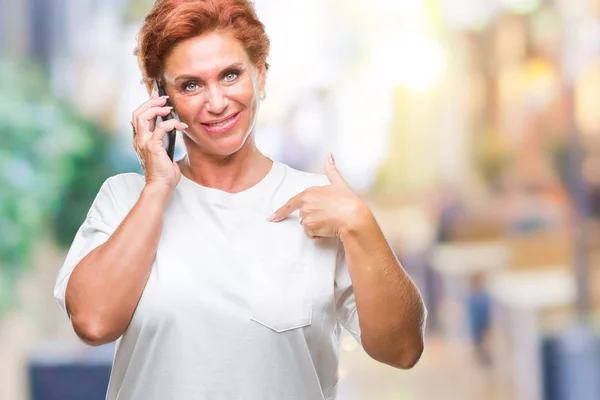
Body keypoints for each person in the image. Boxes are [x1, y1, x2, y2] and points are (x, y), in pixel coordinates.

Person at [53, 1, 426, 398]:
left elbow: (402, 350)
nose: (216, 103)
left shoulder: (321, 205)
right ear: (160, 96)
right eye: (190, 84)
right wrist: (158, 187)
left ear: (260, 74)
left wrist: (360, 224)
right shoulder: (125, 199)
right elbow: (92, 323)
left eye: (230, 75)